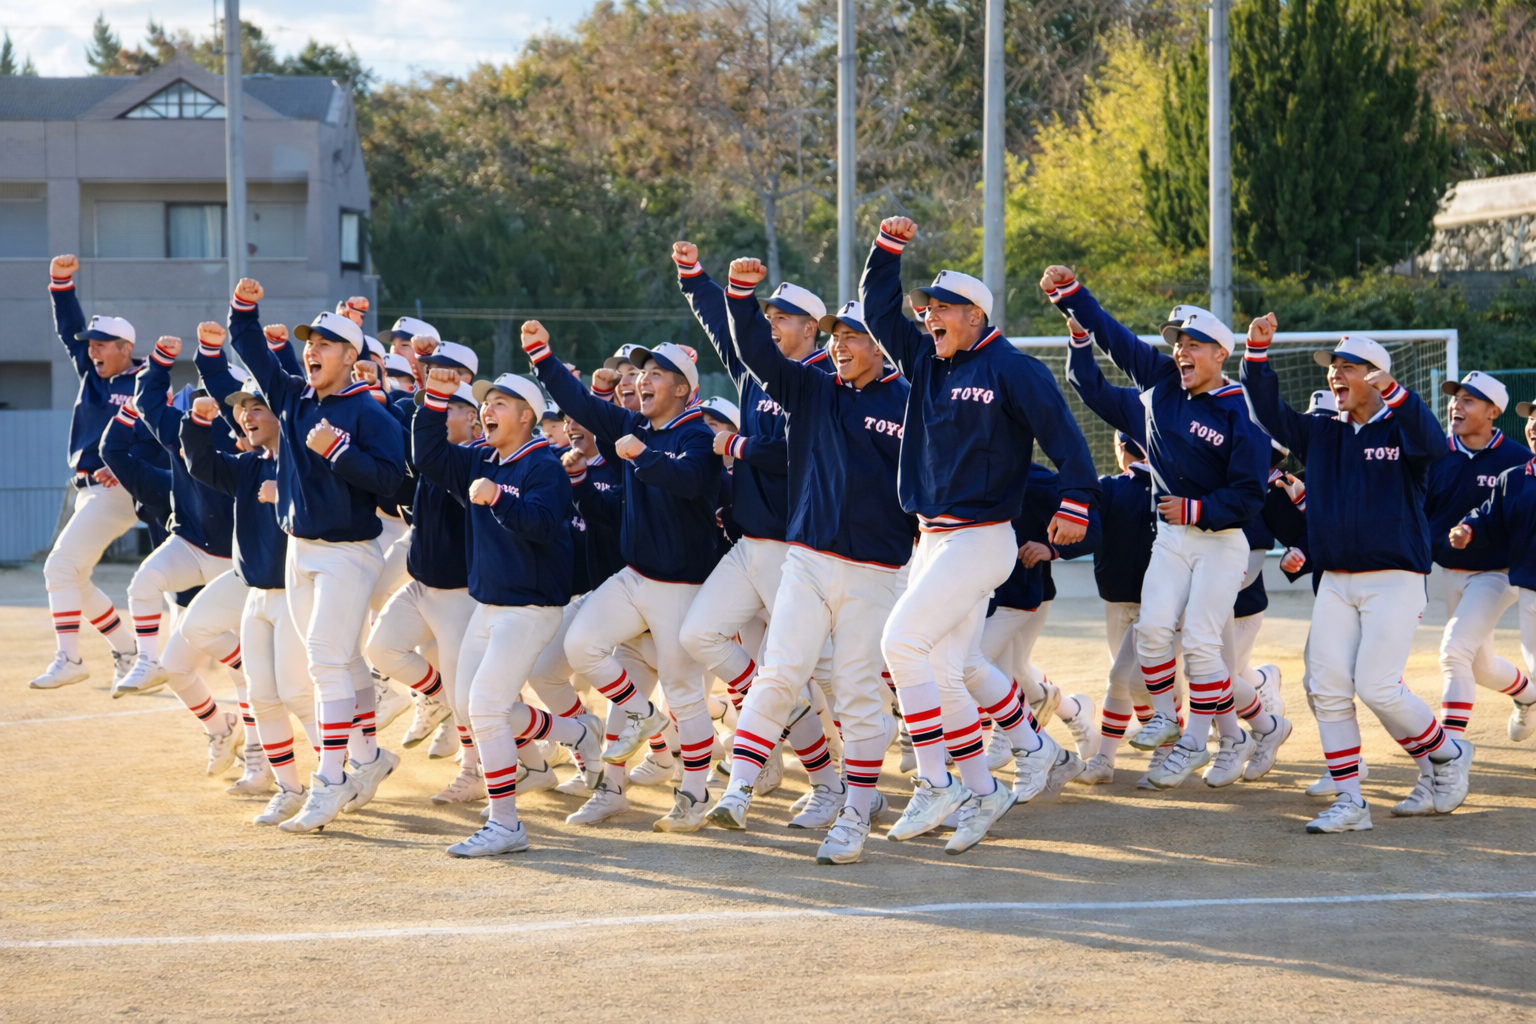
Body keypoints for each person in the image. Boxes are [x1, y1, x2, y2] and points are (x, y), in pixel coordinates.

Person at [861, 217, 1098, 852]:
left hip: (981, 536)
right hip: (934, 537)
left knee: (900, 643)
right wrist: (887, 250)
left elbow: (1068, 441)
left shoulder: (1012, 369)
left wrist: (1076, 503)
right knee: (945, 669)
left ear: (973, 314)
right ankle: (988, 785)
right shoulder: (927, 358)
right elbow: (879, 309)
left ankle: (937, 781)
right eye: (926, 308)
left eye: (939, 309)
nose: (927, 317)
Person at [702, 284, 912, 861]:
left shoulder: (912, 402)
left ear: (881, 345)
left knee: (857, 694)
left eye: (853, 336)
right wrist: (739, 298)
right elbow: (756, 353)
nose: (841, 345)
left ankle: (855, 813)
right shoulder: (813, 387)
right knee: (779, 671)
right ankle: (739, 789)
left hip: (875, 571)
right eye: (837, 335)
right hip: (808, 560)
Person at [1046, 267, 1272, 790]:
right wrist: (1071, 298)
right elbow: (1115, 338)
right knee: (1149, 633)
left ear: (1221, 354)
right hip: (1172, 541)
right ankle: (1173, 722)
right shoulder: (1163, 384)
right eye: (1177, 343)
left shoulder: (1243, 414)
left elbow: (1248, 497)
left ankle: (1208, 740)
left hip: (1220, 543)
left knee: (1199, 643)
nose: (1181, 352)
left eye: (1194, 344)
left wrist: (1195, 509)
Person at [1244, 324, 1472, 832]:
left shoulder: (1401, 428)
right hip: (1337, 581)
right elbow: (1267, 410)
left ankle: (1448, 754)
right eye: (1333, 366)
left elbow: (1434, 444)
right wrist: (1256, 355)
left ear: (1376, 377)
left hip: (1395, 578)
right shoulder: (1321, 430)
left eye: (1346, 366)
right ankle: (1351, 802)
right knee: (1326, 686)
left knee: (1377, 686)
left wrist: (1396, 393)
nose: (1334, 373)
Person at [224, 278, 408, 834]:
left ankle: (329, 781)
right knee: (339, 661)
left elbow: (395, 484)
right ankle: (371, 758)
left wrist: (343, 453)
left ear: (352, 357)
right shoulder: (295, 395)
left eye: (326, 344)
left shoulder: (370, 413)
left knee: (324, 663)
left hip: (349, 554)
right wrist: (244, 309)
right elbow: (249, 345)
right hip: (299, 550)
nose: (312, 350)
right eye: (310, 342)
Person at [527, 322, 725, 831]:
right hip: (634, 578)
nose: (641, 381)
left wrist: (645, 456)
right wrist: (543, 358)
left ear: (682, 388)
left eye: (656, 373)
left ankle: (696, 795)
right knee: (582, 644)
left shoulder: (698, 433)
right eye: (641, 373)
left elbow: (688, 480)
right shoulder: (631, 425)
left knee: (684, 692)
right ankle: (643, 716)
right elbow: (583, 403)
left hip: (682, 588)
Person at [672, 242, 847, 806]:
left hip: (797, 548)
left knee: (829, 670)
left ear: (812, 329)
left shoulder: (826, 376)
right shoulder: (756, 363)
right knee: (701, 635)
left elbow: (807, 452)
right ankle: (777, 718)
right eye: (766, 316)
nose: (769, 324)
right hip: (751, 543)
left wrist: (742, 445)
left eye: (782, 318)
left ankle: (849, 779)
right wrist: (693, 276)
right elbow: (725, 324)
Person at [413, 366, 603, 856]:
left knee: (486, 709)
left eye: (498, 403)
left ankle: (506, 826)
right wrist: (434, 400)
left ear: (526, 415)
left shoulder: (543, 464)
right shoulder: (483, 456)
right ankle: (578, 731)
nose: (486, 410)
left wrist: (498, 497)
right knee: (473, 706)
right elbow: (428, 456)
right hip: (488, 606)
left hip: (531, 609)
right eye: (485, 402)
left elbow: (541, 524)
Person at [365, 381, 488, 803]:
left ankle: (476, 771)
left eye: (446, 408)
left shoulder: (478, 459)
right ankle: (434, 696)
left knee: (469, 698)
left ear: (473, 416)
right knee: (380, 650)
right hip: (420, 589)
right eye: (431, 410)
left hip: (461, 597)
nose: (434, 416)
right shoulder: (430, 460)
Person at [31, 255, 145, 690]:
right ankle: (128, 650)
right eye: (91, 344)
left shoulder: (146, 380)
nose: (93, 349)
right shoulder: (93, 374)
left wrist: (131, 464)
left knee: (58, 567)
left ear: (125, 348)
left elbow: (162, 433)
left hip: (118, 491)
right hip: (87, 489)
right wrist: (61, 284)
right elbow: (68, 328)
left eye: (103, 343)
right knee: (74, 578)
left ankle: (70, 658)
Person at [1423, 372, 1533, 770]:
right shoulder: (1434, 453)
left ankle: (1447, 751)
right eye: (1456, 398)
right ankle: (1528, 695)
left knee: (1454, 651)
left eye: (1469, 400)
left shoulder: (1519, 460)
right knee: (1480, 665)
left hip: (1497, 575)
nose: (1456, 405)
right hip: (1448, 573)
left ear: (1493, 413)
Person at [1451, 400, 1536, 768]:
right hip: (1531, 588)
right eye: (1532, 419)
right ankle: (1527, 697)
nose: (1533, 425)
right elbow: (1489, 515)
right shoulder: (1514, 478)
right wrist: (1468, 529)